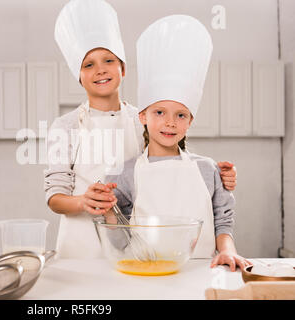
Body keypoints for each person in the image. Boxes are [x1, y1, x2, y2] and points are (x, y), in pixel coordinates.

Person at [45, 0, 237, 259]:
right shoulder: (64, 127)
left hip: (134, 246)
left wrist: (218, 176)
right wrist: (84, 201)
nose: (100, 69)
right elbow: (55, 198)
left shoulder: (143, 118)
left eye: (108, 60)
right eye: (88, 64)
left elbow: (171, 161)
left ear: (122, 68)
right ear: (78, 75)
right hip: (80, 247)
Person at [105, 15, 249, 271]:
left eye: (180, 115)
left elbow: (223, 222)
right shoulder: (124, 173)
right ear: (143, 116)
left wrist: (228, 252)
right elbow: (119, 240)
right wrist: (106, 210)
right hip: (146, 275)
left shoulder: (208, 169)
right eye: (159, 112)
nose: (170, 122)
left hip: (203, 271)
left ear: (190, 121)